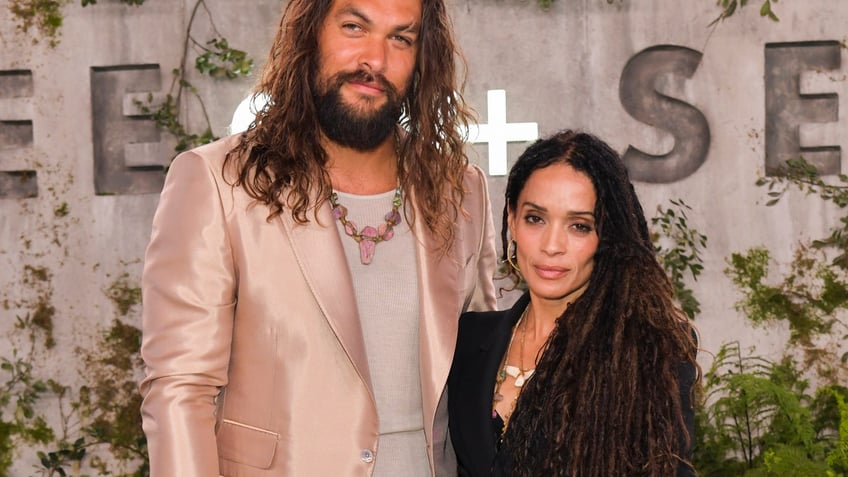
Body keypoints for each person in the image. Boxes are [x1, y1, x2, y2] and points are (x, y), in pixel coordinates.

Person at [138, 0, 498, 475]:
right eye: (354, 27)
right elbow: (180, 389)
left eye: (400, 38)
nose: (375, 59)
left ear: (422, 59)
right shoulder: (218, 181)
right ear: (309, 35)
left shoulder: (459, 188)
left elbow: (483, 367)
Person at [447, 130, 699, 476]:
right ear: (512, 220)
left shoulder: (650, 350)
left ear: (606, 237)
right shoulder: (467, 340)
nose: (552, 245)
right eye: (535, 218)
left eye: (579, 226)